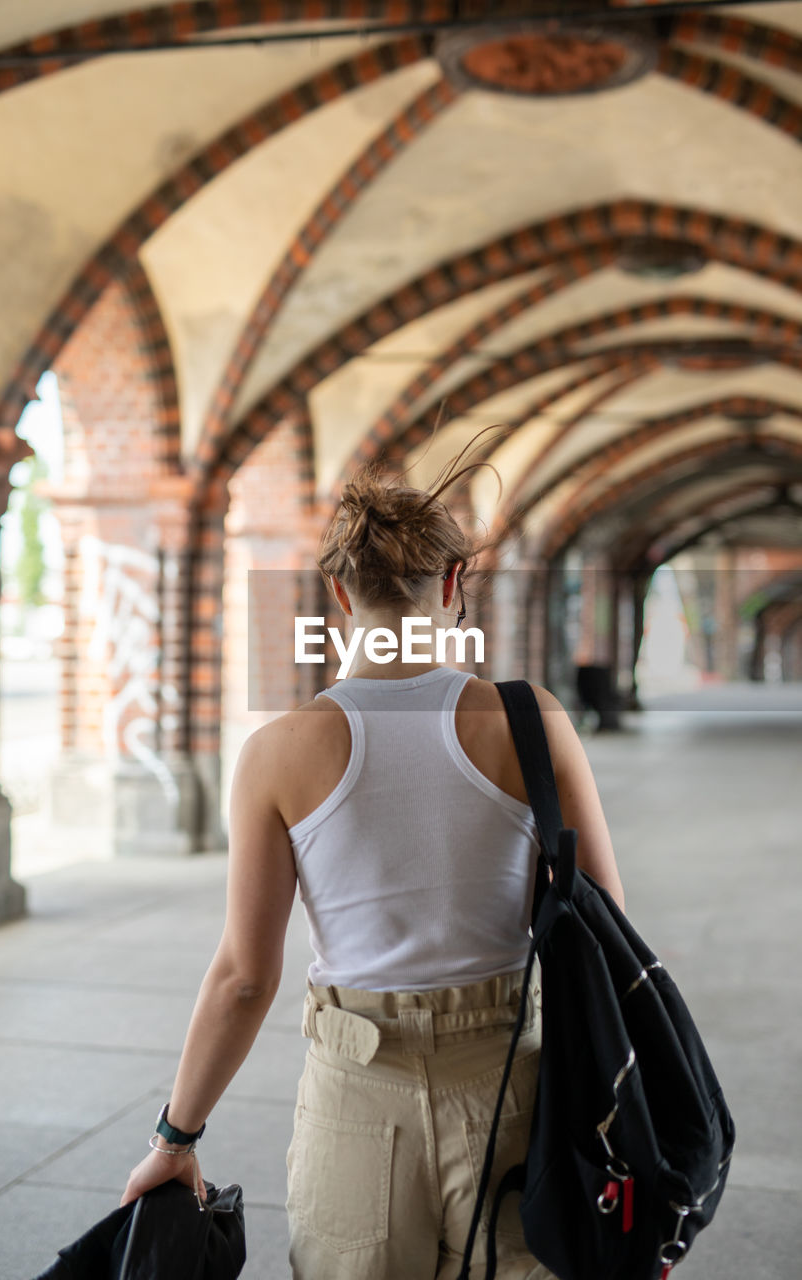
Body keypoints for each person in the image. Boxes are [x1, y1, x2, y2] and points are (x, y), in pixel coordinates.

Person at [121, 457, 625, 1278]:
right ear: (453, 583)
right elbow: (603, 920)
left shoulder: (278, 752)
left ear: (341, 594)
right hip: (513, 1089)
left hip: (356, 1092)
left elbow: (244, 977)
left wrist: (175, 1137)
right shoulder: (531, 721)